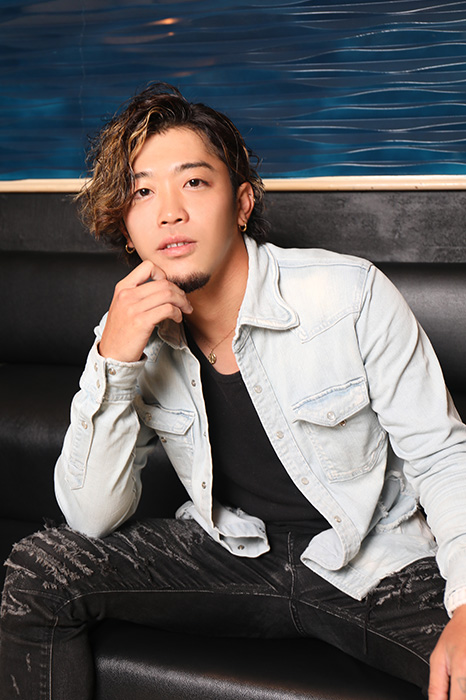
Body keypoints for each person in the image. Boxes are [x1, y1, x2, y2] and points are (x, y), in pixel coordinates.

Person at [1, 83, 466, 700]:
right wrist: (114, 359)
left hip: (374, 561)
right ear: (127, 226)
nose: (169, 212)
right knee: (37, 572)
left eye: (194, 182)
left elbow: (441, 456)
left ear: (242, 203)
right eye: (142, 192)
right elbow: (91, 517)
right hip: (234, 551)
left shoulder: (348, 294)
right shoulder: (128, 332)